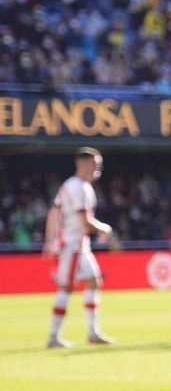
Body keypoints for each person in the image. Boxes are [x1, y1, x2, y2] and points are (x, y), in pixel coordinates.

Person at [43, 147, 114, 348]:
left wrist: (49, 241)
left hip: (78, 245)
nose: (98, 168)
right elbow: (85, 222)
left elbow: (54, 212)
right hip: (72, 245)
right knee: (66, 287)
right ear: (82, 164)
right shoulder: (79, 187)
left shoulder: (71, 185)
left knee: (93, 282)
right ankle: (54, 337)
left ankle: (93, 333)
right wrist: (105, 228)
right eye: (95, 163)